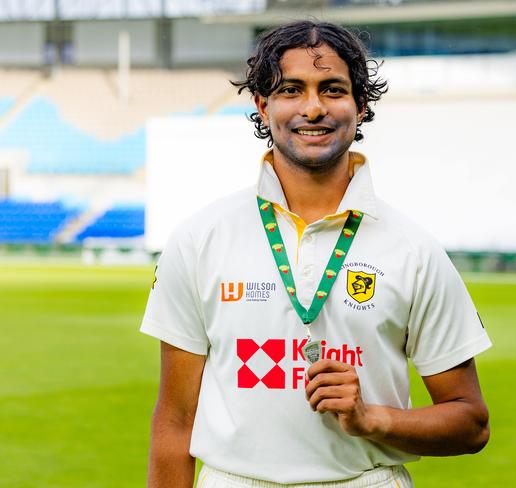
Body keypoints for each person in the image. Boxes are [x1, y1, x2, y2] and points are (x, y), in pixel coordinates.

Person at [141, 20, 492, 488]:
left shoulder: (414, 251)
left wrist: (374, 418)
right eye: (291, 90)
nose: (312, 108)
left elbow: (471, 422)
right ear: (264, 106)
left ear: (360, 106)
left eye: (332, 90)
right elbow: (174, 421)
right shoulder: (200, 239)